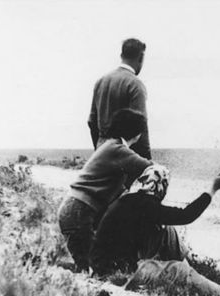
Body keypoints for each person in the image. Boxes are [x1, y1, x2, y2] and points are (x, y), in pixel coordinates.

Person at [89, 164, 220, 296]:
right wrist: (213, 189)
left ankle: (194, 277)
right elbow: (186, 215)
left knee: (167, 231)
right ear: (160, 185)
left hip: (107, 267)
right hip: (114, 277)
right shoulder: (145, 204)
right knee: (180, 270)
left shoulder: (130, 200)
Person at [58, 109, 153, 273]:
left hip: (73, 210)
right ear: (137, 134)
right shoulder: (118, 149)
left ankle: (47, 264)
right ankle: (48, 265)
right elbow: (150, 167)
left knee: (87, 265)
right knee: (93, 269)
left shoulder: (109, 145)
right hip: (79, 211)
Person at [88, 38, 151, 159]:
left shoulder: (101, 82)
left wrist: (99, 150)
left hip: (102, 153)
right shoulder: (135, 84)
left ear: (121, 55)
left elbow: (92, 121)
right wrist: (147, 162)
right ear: (141, 58)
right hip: (124, 157)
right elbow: (141, 128)